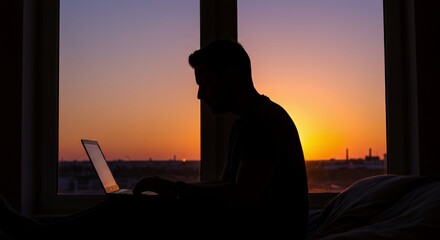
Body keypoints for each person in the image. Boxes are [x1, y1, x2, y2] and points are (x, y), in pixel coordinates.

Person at [0, 39, 309, 239]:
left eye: (205, 82)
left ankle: (35, 234)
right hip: (250, 226)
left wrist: (173, 189)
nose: (200, 94)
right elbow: (230, 189)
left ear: (231, 76)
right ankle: (40, 231)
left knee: (126, 211)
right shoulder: (253, 120)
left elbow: (244, 198)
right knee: (129, 207)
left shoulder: (258, 123)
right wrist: (173, 192)